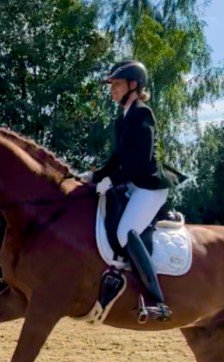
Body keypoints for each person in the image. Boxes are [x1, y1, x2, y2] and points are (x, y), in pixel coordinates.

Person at [82, 60, 177, 321]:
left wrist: (114, 180)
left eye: (116, 84)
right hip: (134, 183)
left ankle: (158, 300)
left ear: (133, 86)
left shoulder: (142, 113)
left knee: (125, 233)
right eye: (111, 84)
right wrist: (93, 176)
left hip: (149, 186)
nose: (111, 89)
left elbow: (141, 161)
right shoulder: (123, 118)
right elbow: (117, 158)